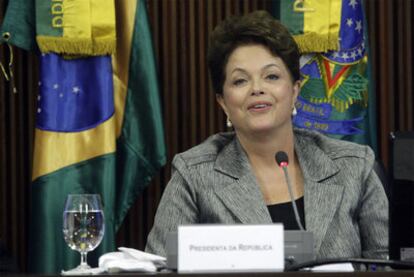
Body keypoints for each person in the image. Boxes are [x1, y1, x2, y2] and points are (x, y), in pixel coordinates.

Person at [145, 11, 388, 260]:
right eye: (240, 81)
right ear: (223, 102)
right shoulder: (195, 176)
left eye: (271, 76)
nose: (257, 89)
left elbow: (390, 266)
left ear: (295, 91)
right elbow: (159, 267)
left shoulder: (353, 167)